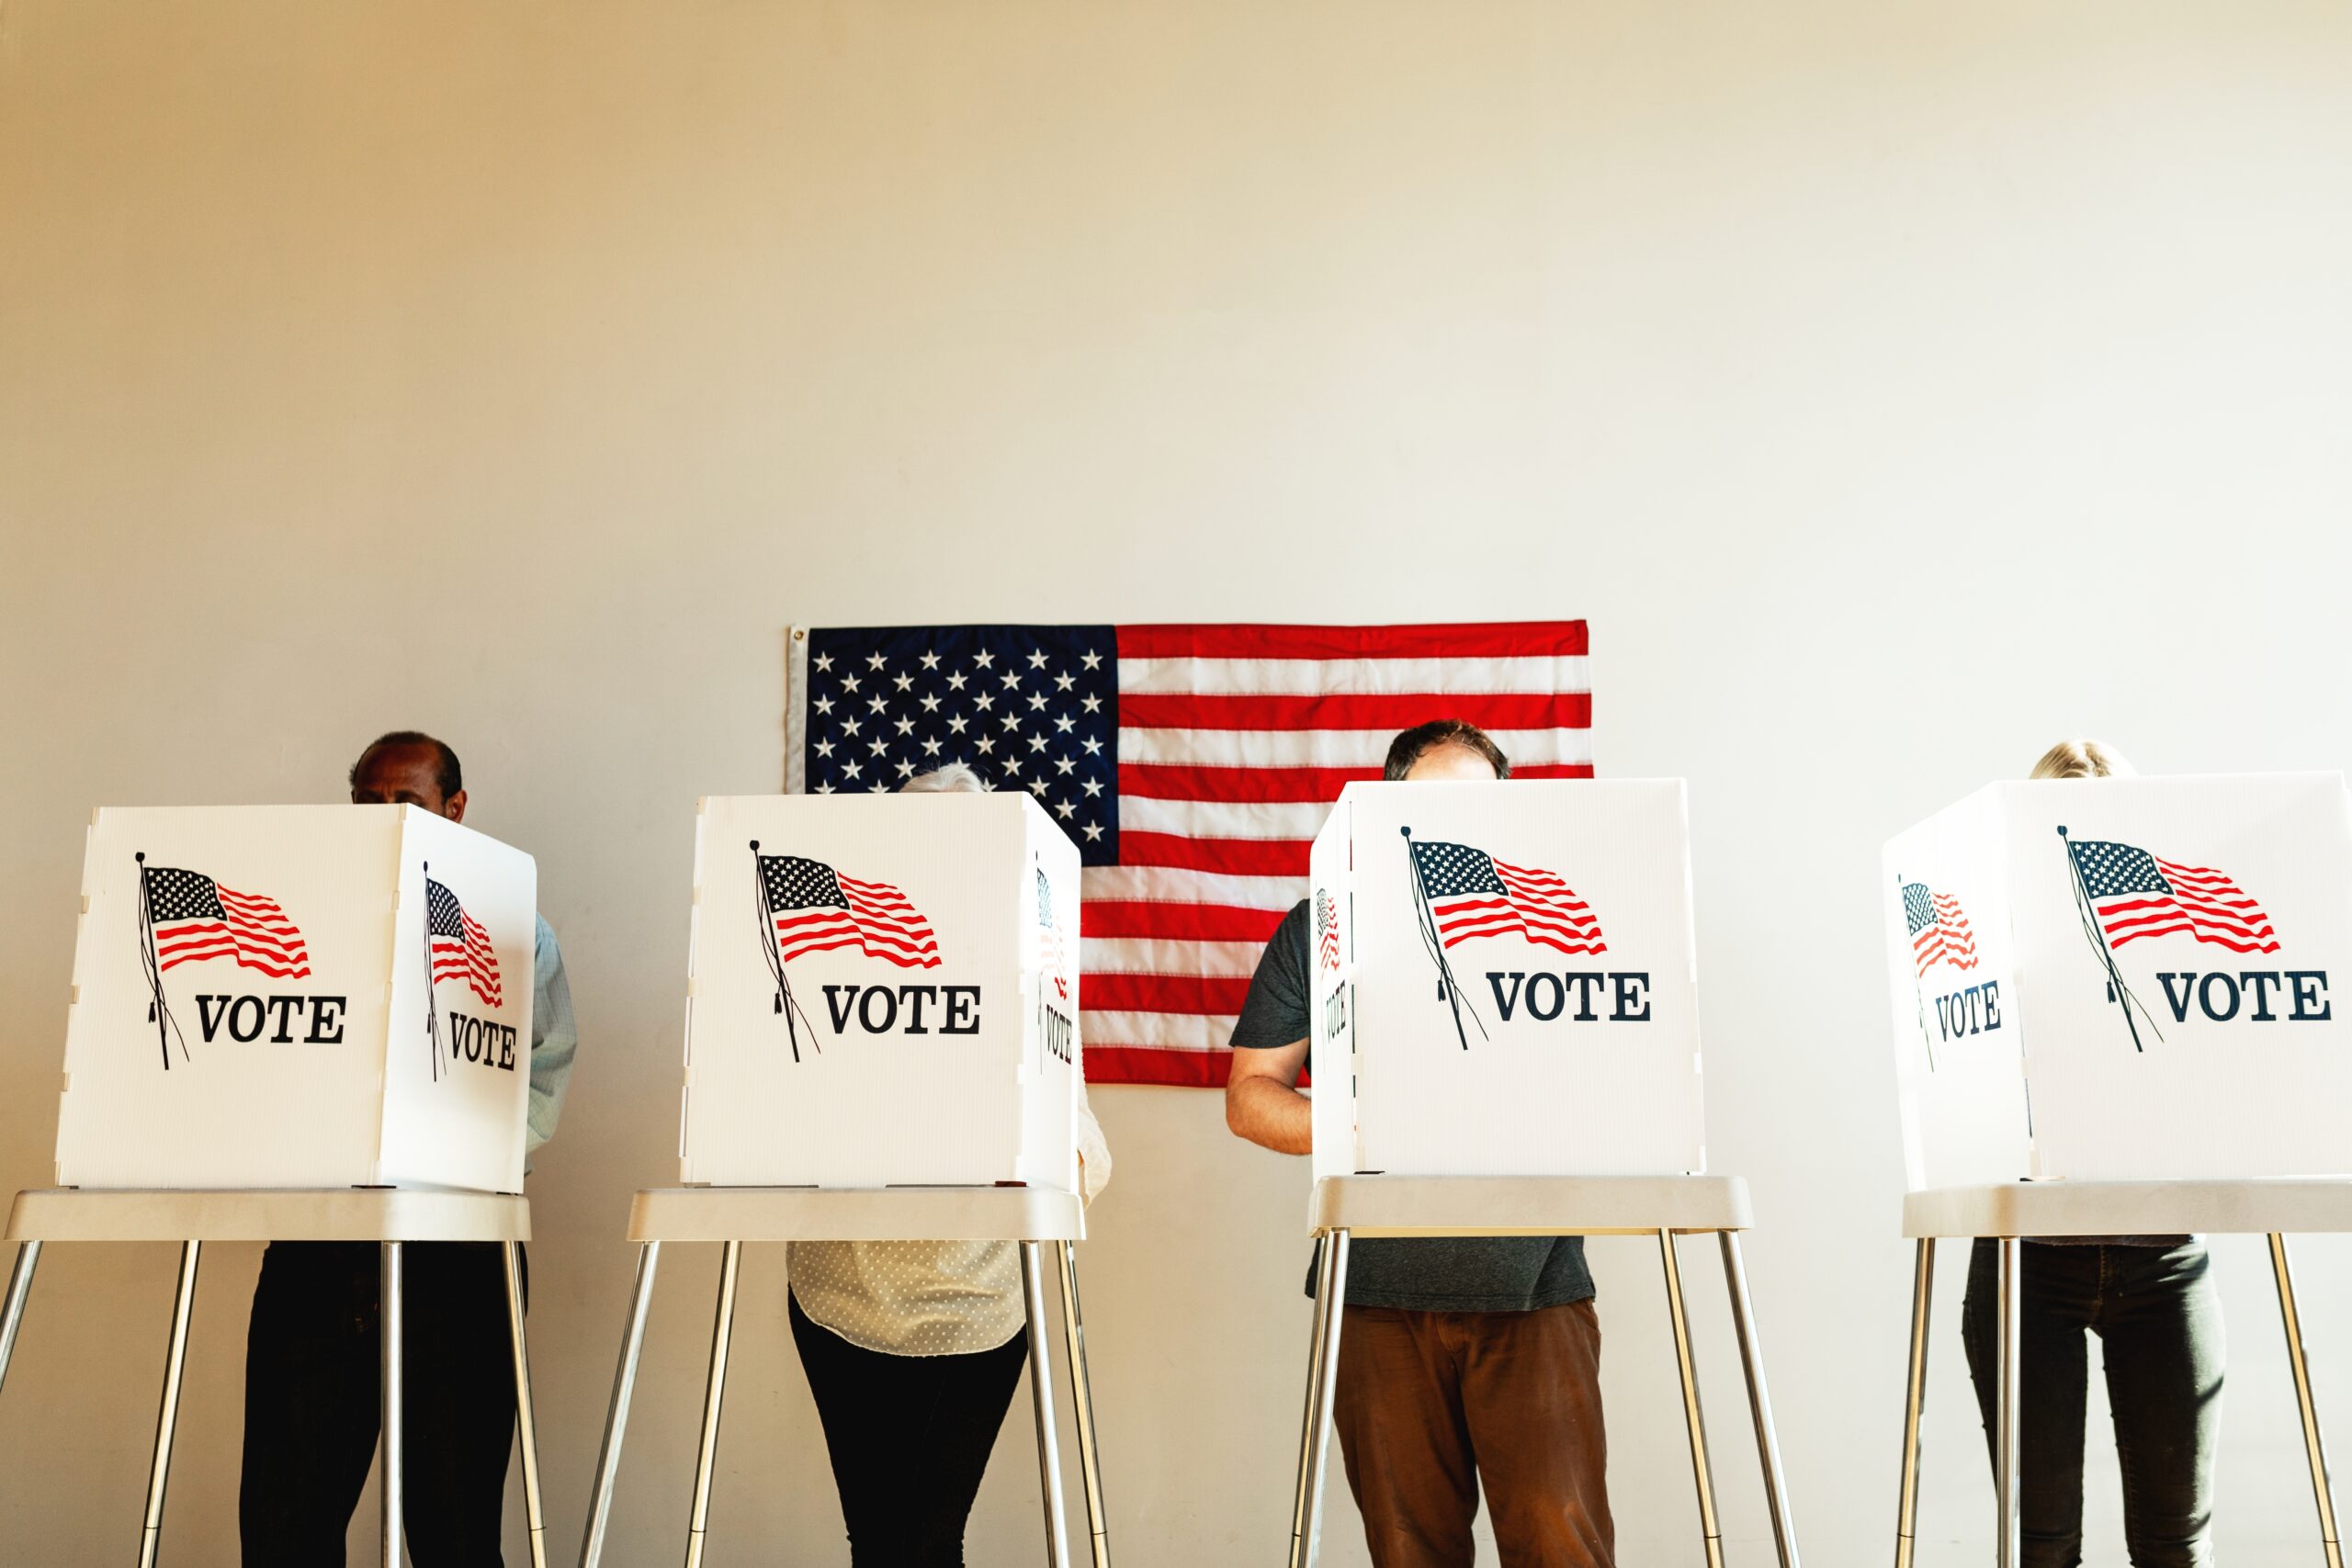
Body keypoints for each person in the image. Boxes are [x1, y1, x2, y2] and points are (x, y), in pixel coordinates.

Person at [1226, 719, 1613, 1568]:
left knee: (1560, 1544)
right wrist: (1376, 1124)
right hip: (1375, 1287)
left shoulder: (1559, 913)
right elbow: (1251, 1099)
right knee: (1408, 1551)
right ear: (1384, 807)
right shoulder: (1320, 925)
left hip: (1534, 1280)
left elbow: (1619, 1069)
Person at [240, 730, 579, 1568]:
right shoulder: (301, 919)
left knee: (455, 1523)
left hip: (456, 1247)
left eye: (407, 801)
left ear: (455, 809)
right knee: (287, 1518)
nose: (384, 816)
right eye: (367, 800)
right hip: (320, 1237)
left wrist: (452, 1158)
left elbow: (538, 1083)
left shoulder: (509, 925)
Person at [786, 761, 1114, 1567]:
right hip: (837, 1287)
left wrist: (1034, 1154)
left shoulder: (1028, 972)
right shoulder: (822, 968)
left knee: (928, 1538)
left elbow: (1087, 1155)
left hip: (978, 1298)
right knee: (875, 1539)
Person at [1960, 739, 2223, 1567]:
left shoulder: (2184, 946)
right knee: (2041, 1549)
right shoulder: (1990, 953)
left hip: (2165, 1258)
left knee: (2175, 1546)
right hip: (2026, 1266)